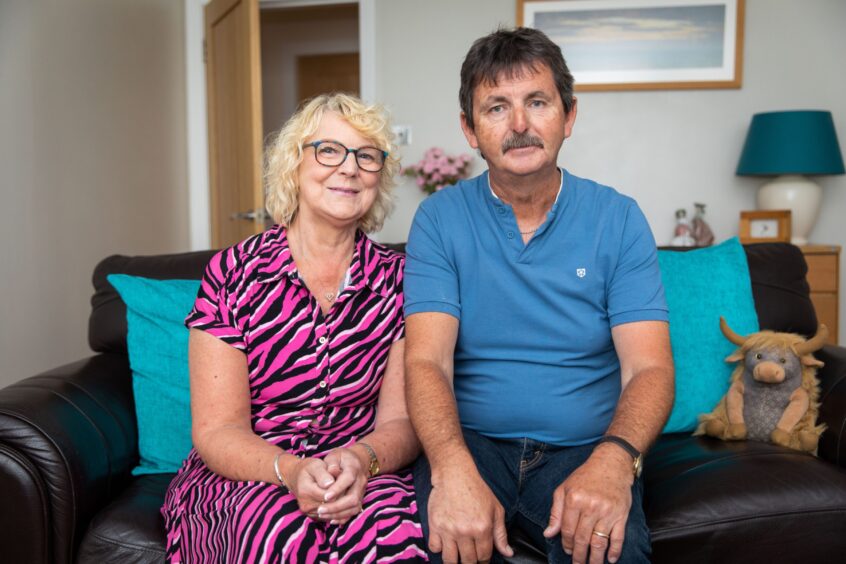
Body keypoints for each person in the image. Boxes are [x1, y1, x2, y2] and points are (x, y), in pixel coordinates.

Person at [404, 28, 674, 564]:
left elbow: (650, 370)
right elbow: (426, 360)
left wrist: (615, 460)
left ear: (569, 116)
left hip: (586, 449)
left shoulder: (618, 219)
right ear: (470, 129)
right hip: (472, 443)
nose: (520, 125)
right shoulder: (438, 219)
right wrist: (451, 467)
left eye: (537, 102)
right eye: (497, 107)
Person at [162, 93, 427, 563]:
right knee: (277, 538)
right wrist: (292, 469)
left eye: (366, 157)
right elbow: (219, 429)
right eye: (329, 150)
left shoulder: (401, 280)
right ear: (293, 165)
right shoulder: (232, 274)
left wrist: (360, 461)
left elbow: (401, 422)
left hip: (359, 470)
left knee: (394, 542)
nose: (349, 169)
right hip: (251, 473)